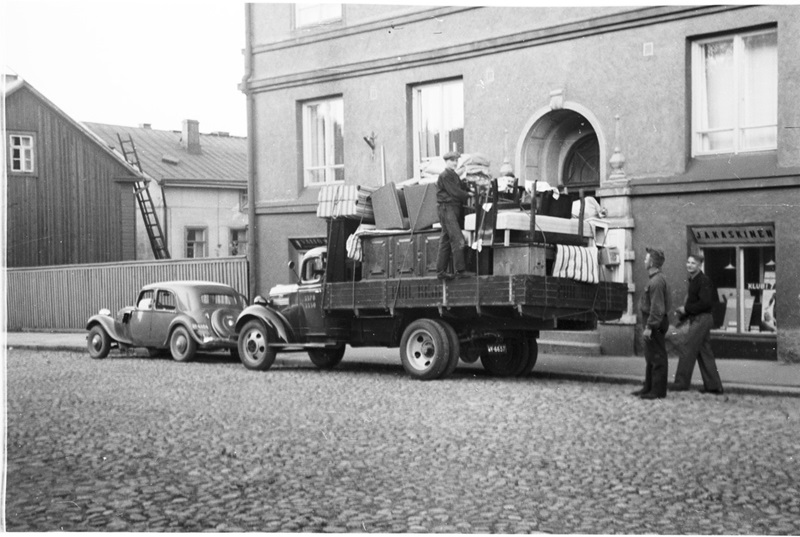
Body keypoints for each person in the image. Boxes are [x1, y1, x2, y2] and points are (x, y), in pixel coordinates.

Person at [671, 253, 724, 394]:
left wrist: (686, 309)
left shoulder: (703, 280)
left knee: (687, 348)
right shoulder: (694, 280)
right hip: (699, 318)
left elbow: (705, 303)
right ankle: (714, 386)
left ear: (700, 265)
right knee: (704, 352)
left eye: (693, 263)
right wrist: (685, 312)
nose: (689, 265)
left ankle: (681, 383)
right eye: (688, 262)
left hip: (702, 319)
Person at [632, 247, 671, 399]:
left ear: (652, 262)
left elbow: (657, 307)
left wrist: (649, 327)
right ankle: (648, 387)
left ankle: (657, 391)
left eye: (646, 258)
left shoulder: (656, 281)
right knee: (650, 356)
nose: (644, 260)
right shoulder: (655, 279)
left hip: (655, 323)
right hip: (652, 322)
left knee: (657, 357)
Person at [435, 151, 474, 280]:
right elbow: (455, 192)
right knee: (458, 239)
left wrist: (468, 190)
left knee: (446, 240)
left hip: (450, 209)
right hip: (447, 209)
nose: (455, 163)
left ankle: (441, 271)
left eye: (456, 160)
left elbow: (460, 188)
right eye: (452, 160)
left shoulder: (453, 175)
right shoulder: (445, 175)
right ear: (446, 161)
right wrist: (468, 195)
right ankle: (460, 270)